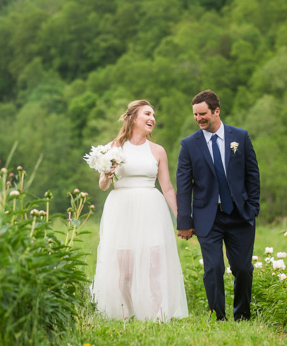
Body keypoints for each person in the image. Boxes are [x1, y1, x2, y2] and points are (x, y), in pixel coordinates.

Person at [91, 100, 188, 322]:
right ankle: (130, 311)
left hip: (151, 209)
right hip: (121, 209)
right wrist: (107, 174)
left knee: (154, 264)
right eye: (147, 113)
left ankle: (157, 314)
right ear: (134, 118)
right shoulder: (113, 147)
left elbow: (167, 187)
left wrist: (181, 219)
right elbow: (103, 186)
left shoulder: (157, 151)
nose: (152, 118)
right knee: (125, 270)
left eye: (153, 114)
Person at [176, 90, 260, 321]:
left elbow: (252, 174)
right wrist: (184, 221)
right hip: (207, 217)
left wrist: (253, 207)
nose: (198, 119)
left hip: (240, 215)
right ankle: (217, 318)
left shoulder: (240, 137)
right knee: (213, 269)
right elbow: (183, 186)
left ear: (216, 111)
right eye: (195, 115)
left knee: (243, 269)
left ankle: (242, 315)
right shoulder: (189, 145)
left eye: (202, 114)